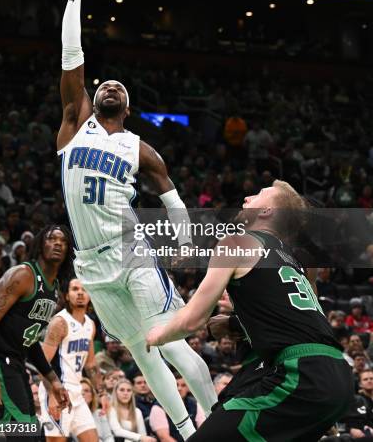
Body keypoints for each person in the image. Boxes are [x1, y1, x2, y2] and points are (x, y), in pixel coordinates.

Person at [57, 0, 216, 441]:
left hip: (132, 252)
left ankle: (218, 415)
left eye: (119, 90)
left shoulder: (141, 150)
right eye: (104, 84)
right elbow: (71, 54)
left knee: (169, 343)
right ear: (94, 95)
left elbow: (173, 202)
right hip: (92, 265)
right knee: (144, 352)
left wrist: (185, 244)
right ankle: (189, 431)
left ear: (125, 107)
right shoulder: (72, 126)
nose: (110, 87)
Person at [147, 181, 354, 441]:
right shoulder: (290, 258)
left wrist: (157, 335)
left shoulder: (236, 242)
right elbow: (296, 320)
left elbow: (193, 319)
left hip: (301, 374)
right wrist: (237, 322)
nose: (246, 197)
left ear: (267, 211)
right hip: (334, 375)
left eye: (258, 194)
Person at [0, 225, 72, 439]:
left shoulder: (54, 288)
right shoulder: (23, 276)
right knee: (25, 432)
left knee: (19, 431)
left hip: (15, 363)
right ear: (39, 244)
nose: (57, 243)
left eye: (63, 241)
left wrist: (53, 379)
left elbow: (30, 338)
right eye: (51, 238)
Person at [38, 277, 102, 442]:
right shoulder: (60, 322)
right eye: (75, 289)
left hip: (76, 391)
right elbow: (42, 363)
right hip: (57, 389)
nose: (80, 293)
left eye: (84, 289)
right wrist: (52, 395)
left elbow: (91, 364)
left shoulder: (90, 324)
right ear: (66, 296)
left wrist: (102, 393)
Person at [149, 375, 205, 442]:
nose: (179, 388)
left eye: (183, 385)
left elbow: (203, 430)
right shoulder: (158, 408)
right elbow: (164, 438)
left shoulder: (195, 404)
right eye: (176, 385)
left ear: (188, 388)